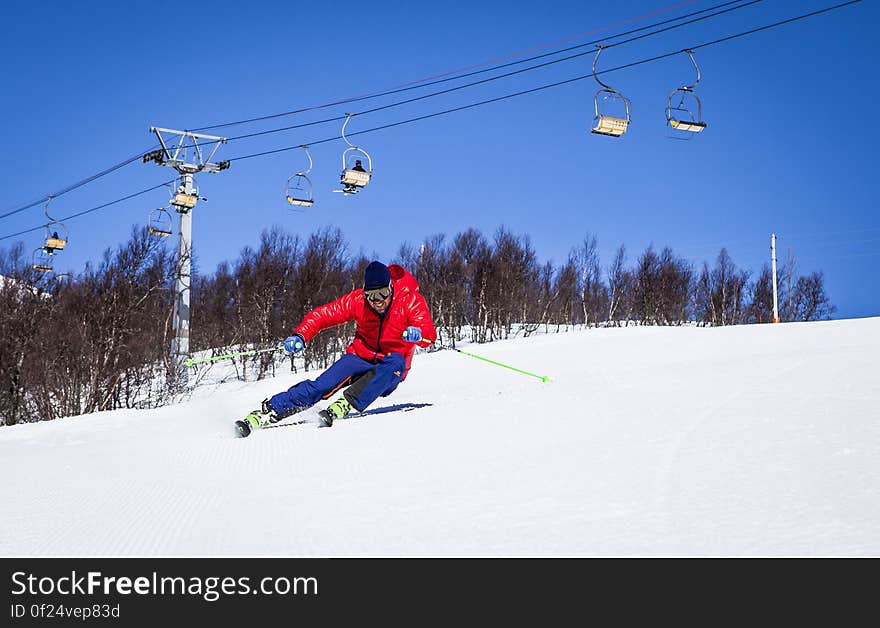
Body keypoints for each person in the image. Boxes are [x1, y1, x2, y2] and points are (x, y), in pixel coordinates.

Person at [241, 261, 437, 433]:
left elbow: (429, 335)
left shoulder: (410, 301)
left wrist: (418, 334)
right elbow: (324, 315)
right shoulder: (358, 301)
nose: (377, 301)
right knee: (323, 385)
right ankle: (271, 410)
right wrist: (301, 334)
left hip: (389, 369)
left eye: (382, 294)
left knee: (396, 361)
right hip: (360, 357)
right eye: (371, 295)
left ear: (391, 288)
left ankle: (346, 402)